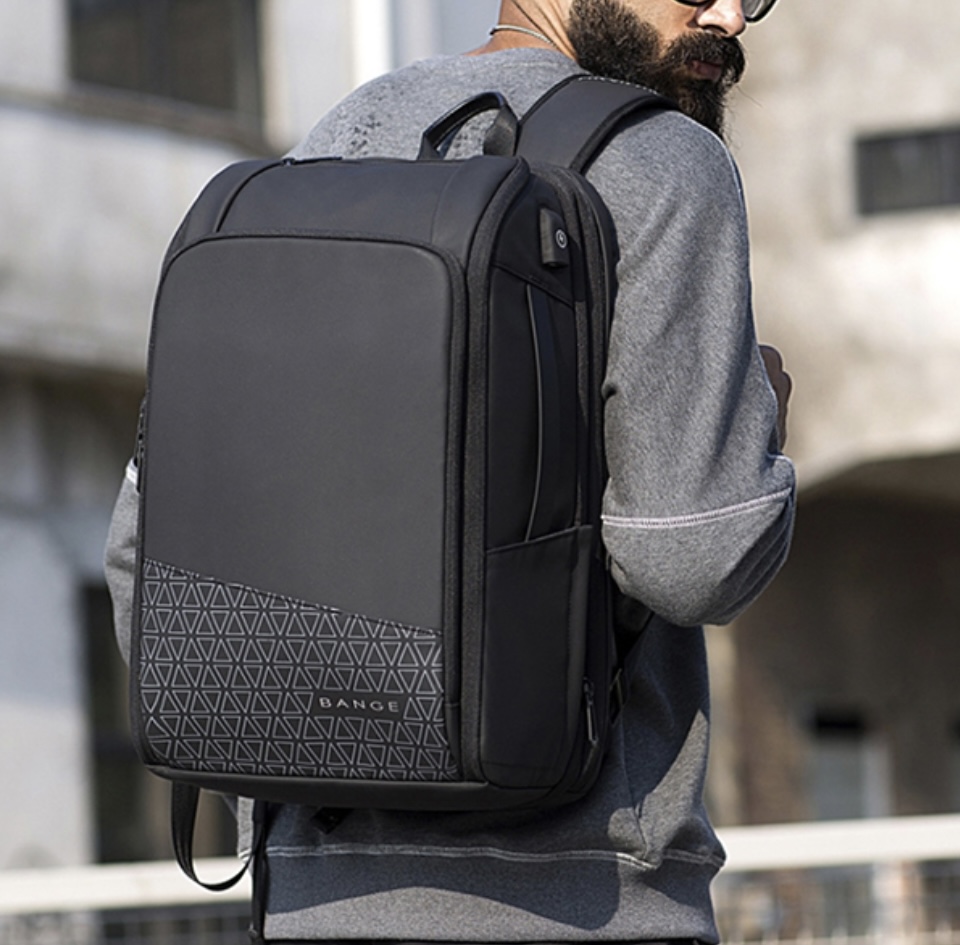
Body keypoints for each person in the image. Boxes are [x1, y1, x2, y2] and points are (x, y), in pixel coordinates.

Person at [105, 0, 796, 942]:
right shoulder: (665, 158)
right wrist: (759, 425)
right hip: (583, 907)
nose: (730, 16)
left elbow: (143, 566)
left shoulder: (334, 142)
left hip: (311, 902)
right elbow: (691, 556)